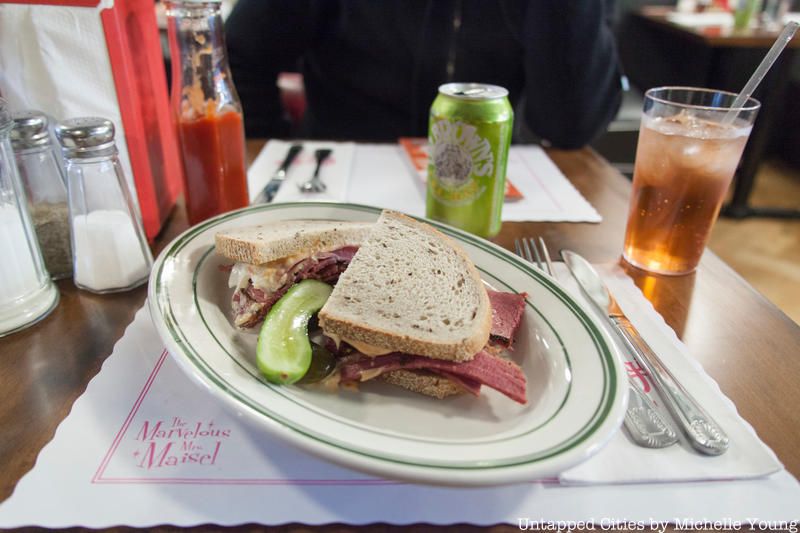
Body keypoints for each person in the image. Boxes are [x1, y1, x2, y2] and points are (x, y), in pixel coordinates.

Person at [226, 0, 622, 149]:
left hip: (489, 187)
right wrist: (274, 145)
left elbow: (571, 125)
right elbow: (240, 51)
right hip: (341, 176)